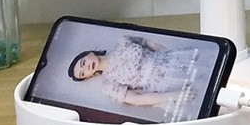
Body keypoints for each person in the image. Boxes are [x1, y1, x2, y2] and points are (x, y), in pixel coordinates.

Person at [67, 35, 212, 109]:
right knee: (206, 92)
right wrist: (174, 95)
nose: (87, 68)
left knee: (210, 66)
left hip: (174, 59)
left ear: (88, 53)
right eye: (83, 73)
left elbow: (148, 43)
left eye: (83, 63)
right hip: (164, 84)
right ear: (89, 76)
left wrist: (168, 54)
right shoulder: (108, 85)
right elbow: (138, 99)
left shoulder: (122, 41)